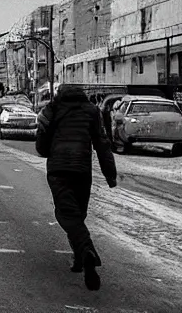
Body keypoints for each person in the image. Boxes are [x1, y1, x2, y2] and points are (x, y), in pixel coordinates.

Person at [35, 84, 117, 292]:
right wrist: (110, 174)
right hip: (82, 170)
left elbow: (42, 147)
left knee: (68, 214)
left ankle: (87, 250)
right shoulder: (91, 111)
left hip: (59, 169)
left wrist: (48, 145)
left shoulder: (52, 109)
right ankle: (80, 260)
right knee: (78, 214)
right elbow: (102, 144)